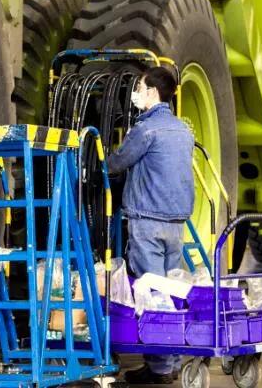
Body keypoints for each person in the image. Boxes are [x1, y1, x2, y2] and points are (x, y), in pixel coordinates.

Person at [107, 66, 195, 385]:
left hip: (147, 221)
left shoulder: (145, 130)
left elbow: (118, 162)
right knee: (170, 291)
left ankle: (159, 368)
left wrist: (94, 161)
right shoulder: (183, 130)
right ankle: (171, 360)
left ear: (153, 93)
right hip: (176, 222)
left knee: (152, 293)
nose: (137, 94)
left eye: (140, 88)